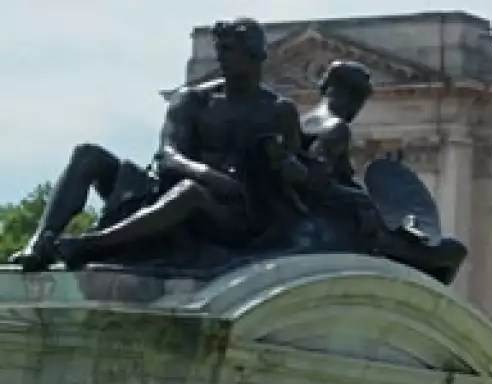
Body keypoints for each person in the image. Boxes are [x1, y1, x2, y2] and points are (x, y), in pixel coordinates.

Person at [9, 18, 304, 271]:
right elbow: (168, 154)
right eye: (218, 50)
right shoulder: (194, 100)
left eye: (228, 50)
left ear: (254, 55)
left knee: (189, 193)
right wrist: (207, 174)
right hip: (170, 190)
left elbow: (298, 177)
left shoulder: (279, 110)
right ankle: (38, 244)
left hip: (233, 215)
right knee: (88, 155)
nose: (221, 58)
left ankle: (91, 245)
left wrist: (286, 166)